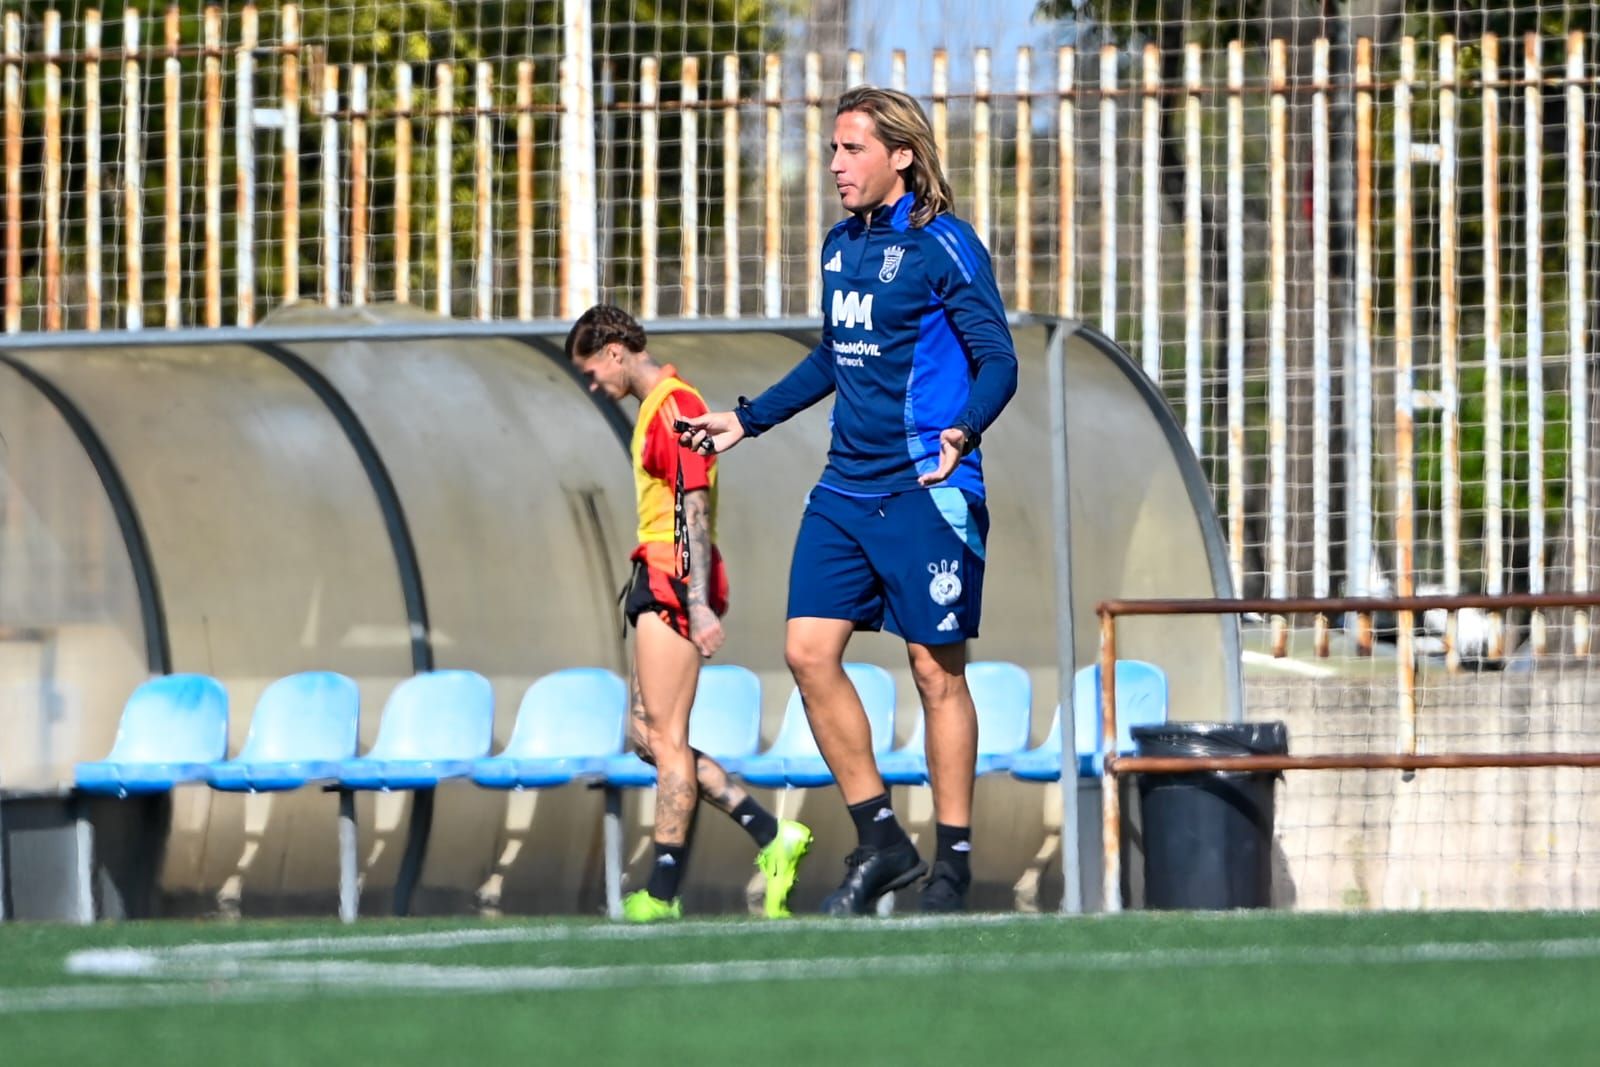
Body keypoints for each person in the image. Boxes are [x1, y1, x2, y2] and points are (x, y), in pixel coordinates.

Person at [678, 87, 1018, 915]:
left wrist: (965, 429)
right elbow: (835, 356)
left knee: (935, 671)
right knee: (806, 652)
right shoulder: (840, 246)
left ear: (901, 155)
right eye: (832, 148)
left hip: (926, 486)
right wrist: (748, 419)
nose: (835, 164)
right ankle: (882, 839)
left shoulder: (945, 244)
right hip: (844, 488)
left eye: (852, 148)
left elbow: (998, 359)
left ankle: (952, 864)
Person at [566, 305, 813, 923]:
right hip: (654, 574)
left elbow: (693, 504)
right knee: (646, 736)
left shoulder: (675, 406)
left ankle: (662, 890)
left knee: (668, 739)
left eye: (592, 371)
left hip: (673, 579)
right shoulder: (656, 407)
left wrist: (698, 603)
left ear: (615, 352)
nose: (593, 385)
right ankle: (770, 834)